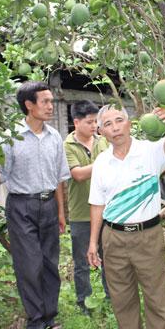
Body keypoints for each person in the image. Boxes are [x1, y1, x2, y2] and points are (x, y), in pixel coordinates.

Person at [87, 104, 165, 329]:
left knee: (157, 303)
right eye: (108, 124)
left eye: (119, 120)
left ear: (129, 123)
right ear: (100, 131)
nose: (115, 127)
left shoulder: (149, 151)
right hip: (113, 239)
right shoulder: (101, 163)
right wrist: (93, 243)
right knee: (123, 304)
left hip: (147, 236)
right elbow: (97, 204)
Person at [0, 81, 70, 329]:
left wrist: (61, 213)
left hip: (49, 205)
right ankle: (35, 322)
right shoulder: (10, 136)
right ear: (29, 105)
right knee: (30, 266)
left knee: (50, 264)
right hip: (22, 206)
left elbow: (59, 179)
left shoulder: (54, 137)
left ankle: (50, 316)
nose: (51, 106)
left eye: (51, 101)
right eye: (45, 101)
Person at [64, 100, 110, 316]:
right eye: (90, 122)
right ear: (76, 122)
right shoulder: (67, 146)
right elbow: (78, 175)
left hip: (108, 211)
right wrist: (104, 162)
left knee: (109, 258)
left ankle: (112, 298)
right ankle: (84, 302)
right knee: (82, 261)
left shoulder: (103, 141)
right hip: (81, 213)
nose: (94, 126)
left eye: (96, 122)